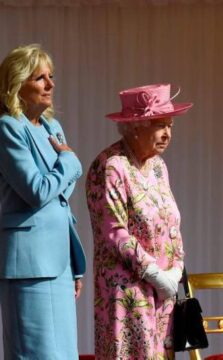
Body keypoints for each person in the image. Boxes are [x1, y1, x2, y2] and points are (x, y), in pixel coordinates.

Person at [86, 83, 192, 359]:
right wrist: (155, 274)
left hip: (163, 293)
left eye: (170, 125)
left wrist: (175, 270)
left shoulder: (158, 166)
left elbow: (172, 223)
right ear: (134, 125)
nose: (167, 133)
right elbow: (113, 232)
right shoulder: (110, 165)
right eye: (159, 125)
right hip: (128, 294)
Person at [0, 44, 86, 359]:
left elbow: (60, 197)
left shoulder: (52, 127)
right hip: (29, 266)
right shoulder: (8, 128)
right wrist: (69, 162)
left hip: (59, 260)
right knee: (35, 353)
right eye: (39, 78)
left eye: (51, 77)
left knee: (63, 354)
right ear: (16, 84)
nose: (50, 84)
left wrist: (74, 265)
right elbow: (36, 191)